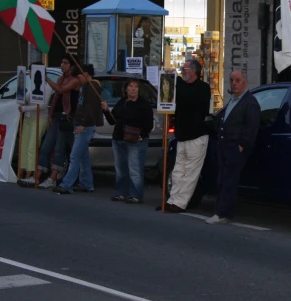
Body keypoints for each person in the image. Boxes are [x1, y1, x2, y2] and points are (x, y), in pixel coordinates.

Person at [157, 60, 212, 213]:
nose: (182, 71)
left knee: (190, 172)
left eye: (184, 68)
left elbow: (188, 97)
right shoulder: (182, 86)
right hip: (182, 135)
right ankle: (172, 199)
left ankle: (180, 203)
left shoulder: (202, 88)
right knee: (177, 171)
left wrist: (175, 78)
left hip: (196, 137)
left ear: (193, 71)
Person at [205, 70, 260, 224]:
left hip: (235, 147)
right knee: (222, 178)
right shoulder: (233, 100)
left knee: (229, 179)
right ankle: (223, 211)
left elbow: (252, 127)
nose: (234, 83)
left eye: (237, 80)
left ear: (245, 82)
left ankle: (221, 212)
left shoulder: (249, 102)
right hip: (224, 145)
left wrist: (242, 145)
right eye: (232, 80)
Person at [102, 78, 154, 204]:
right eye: (130, 86)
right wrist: (106, 110)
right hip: (119, 139)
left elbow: (148, 124)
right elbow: (112, 121)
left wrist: (140, 134)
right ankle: (121, 193)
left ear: (139, 90)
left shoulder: (144, 105)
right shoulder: (122, 102)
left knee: (135, 169)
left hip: (136, 141)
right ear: (126, 89)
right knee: (120, 169)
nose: (133, 89)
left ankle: (136, 195)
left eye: (135, 87)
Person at [54, 64, 103, 195]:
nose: (78, 79)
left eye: (79, 76)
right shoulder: (85, 86)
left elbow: (91, 109)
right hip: (81, 124)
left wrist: (83, 124)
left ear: (86, 74)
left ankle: (67, 184)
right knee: (83, 157)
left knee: (74, 156)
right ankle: (87, 183)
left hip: (84, 126)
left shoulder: (92, 87)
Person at [35, 57, 81, 189]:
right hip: (56, 117)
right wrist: (50, 115)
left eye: (65, 63)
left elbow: (61, 90)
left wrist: (47, 79)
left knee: (60, 149)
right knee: (45, 147)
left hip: (66, 118)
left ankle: (53, 178)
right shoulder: (60, 79)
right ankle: (38, 175)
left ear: (71, 66)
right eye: (61, 63)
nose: (62, 65)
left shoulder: (74, 81)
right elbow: (56, 97)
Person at [17, 63, 53, 186]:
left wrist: (25, 109)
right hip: (28, 119)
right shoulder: (32, 86)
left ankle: (30, 173)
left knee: (33, 146)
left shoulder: (46, 86)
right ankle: (21, 170)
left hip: (39, 119)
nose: (29, 74)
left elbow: (42, 106)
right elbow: (25, 99)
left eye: (31, 71)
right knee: (24, 145)